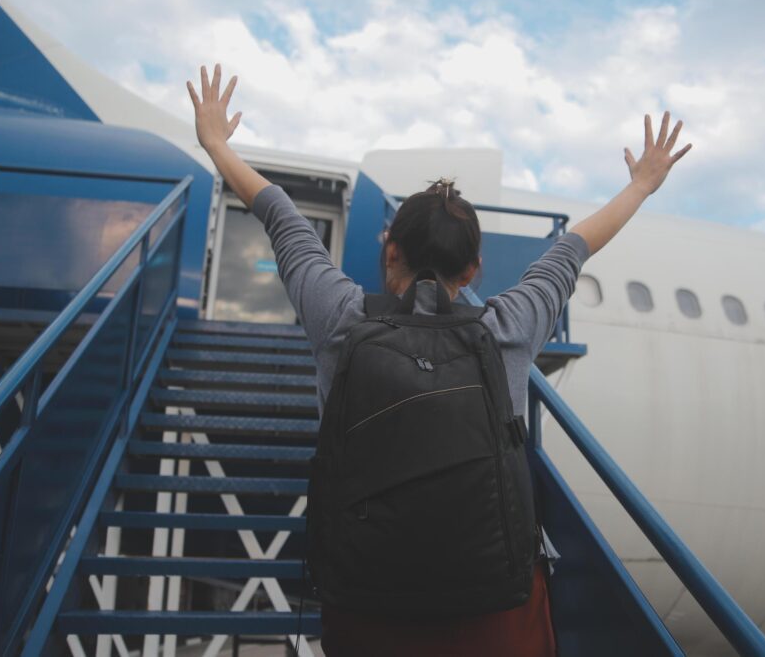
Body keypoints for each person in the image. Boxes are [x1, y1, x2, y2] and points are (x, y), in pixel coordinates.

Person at [187, 64, 690, 657]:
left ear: (390, 251)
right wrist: (641, 184)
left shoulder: (341, 320)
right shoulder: (508, 327)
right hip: (492, 621)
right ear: (473, 270)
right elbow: (574, 247)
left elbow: (282, 218)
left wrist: (218, 144)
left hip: (367, 614)